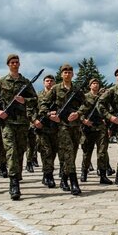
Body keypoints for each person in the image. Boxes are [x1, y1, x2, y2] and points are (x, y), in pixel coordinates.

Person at [0, 54, 38, 201]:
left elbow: (35, 100)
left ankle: (17, 175)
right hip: (7, 122)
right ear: (8, 65)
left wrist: (24, 100)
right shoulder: (1, 82)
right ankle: (13, 184)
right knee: (11, 151)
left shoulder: (25, 82)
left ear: (19, 64)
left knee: (21, 150)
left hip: (22, 123)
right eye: (12, 62)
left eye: (17, 62)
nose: (15, 64)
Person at [38, 63, 86, 195]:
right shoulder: (55, 89)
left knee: (71, 155)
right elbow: (43, 105)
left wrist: (78, 113)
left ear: (72, 74)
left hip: (75, 126)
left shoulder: (77, 90)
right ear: (61, 74)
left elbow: (86, 104)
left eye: (70, 72)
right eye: (65, 72)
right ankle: (74, 183)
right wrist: (50, 114)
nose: (67, 74)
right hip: (61, 127)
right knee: (69, 152)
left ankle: (64, 179)